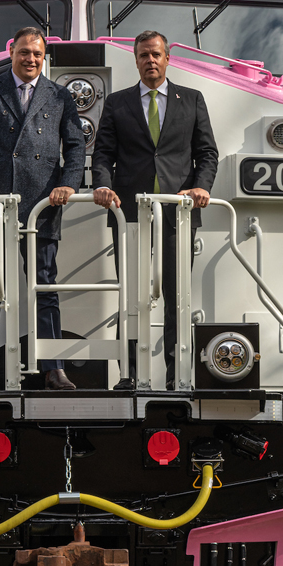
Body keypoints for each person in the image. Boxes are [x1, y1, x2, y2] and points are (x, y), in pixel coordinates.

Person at [0, 26, 86, 390]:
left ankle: (54, 368)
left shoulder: (60, 96)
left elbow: (76, 148)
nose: (30, 59)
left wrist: (69, 184)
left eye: (37, 54)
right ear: (10, 52)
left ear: (44, 57)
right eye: (24, 52)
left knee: (45, 287)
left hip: (42, 206)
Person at [92, 30, 219, 390]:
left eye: (156, 54)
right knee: (130, 296)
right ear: (135, 60)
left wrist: (202, 187)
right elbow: (103, 154)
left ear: (167, 58)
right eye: (144, 55)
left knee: (178, 297)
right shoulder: (117, 104)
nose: (150, 60)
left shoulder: (191, 100)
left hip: (178, 214)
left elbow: (207, 153)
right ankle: (130, 375)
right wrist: (103, 185)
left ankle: (178, 377)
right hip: (129, 214)